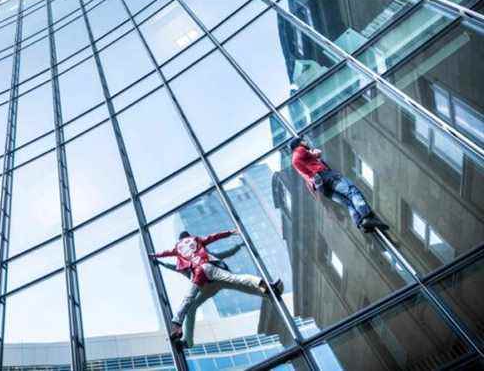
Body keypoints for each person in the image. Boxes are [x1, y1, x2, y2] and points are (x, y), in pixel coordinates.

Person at [150, 230, 283, 348]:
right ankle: (268, 289)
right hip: (211, 279)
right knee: (239, 281)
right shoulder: (200, 250)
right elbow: (214, 239)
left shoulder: (192, 255)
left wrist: (158, 259)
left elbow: (170, 261)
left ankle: (187, 341)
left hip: (209, 282)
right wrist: (231, 233)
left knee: (191, 306)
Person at [289, 136, 387, 233]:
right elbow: (317, 154)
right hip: (326, 176)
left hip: (322, 188)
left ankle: (361, 223)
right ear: (300, 143)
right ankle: (367, 216)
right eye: (304, 141)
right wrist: (313, 151)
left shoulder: (295, 162)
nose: (306, 142)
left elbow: (309, 181)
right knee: (352, 192)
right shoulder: (300, 150)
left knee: (348, 202)